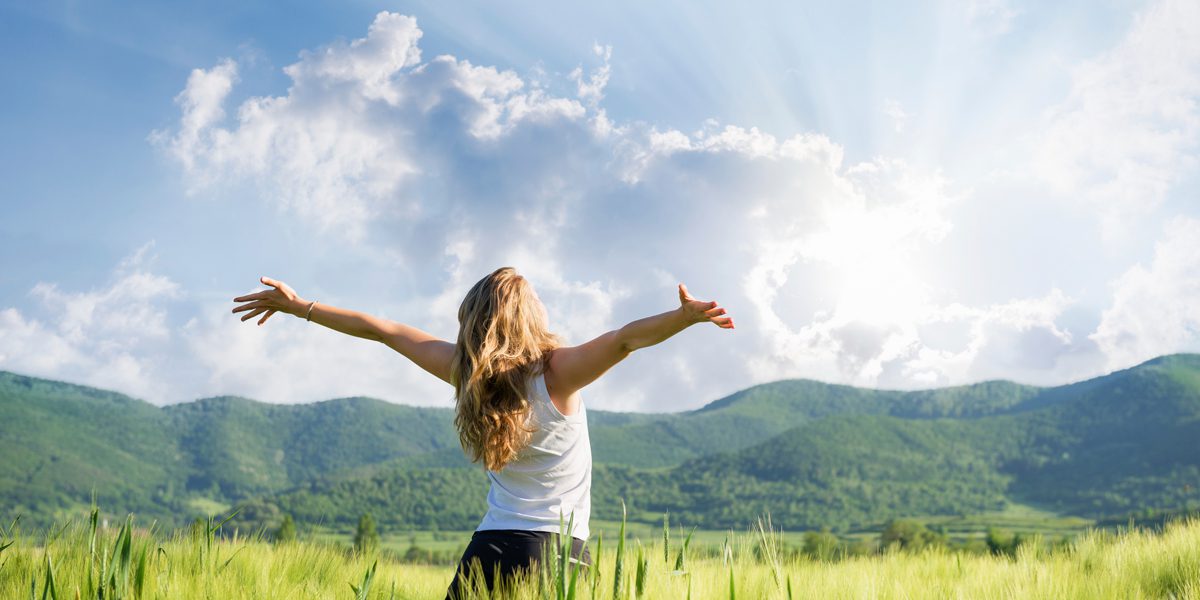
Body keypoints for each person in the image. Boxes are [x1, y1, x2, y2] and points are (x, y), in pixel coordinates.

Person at [231, 267, 734, 597]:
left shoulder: (466, 373)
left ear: (472, 320)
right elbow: (625, 340)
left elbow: (382, 329)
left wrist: (301, 307)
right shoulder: (558, 372)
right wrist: (682, 319)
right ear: (532, 316)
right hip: (562, 555)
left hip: (492, 550)